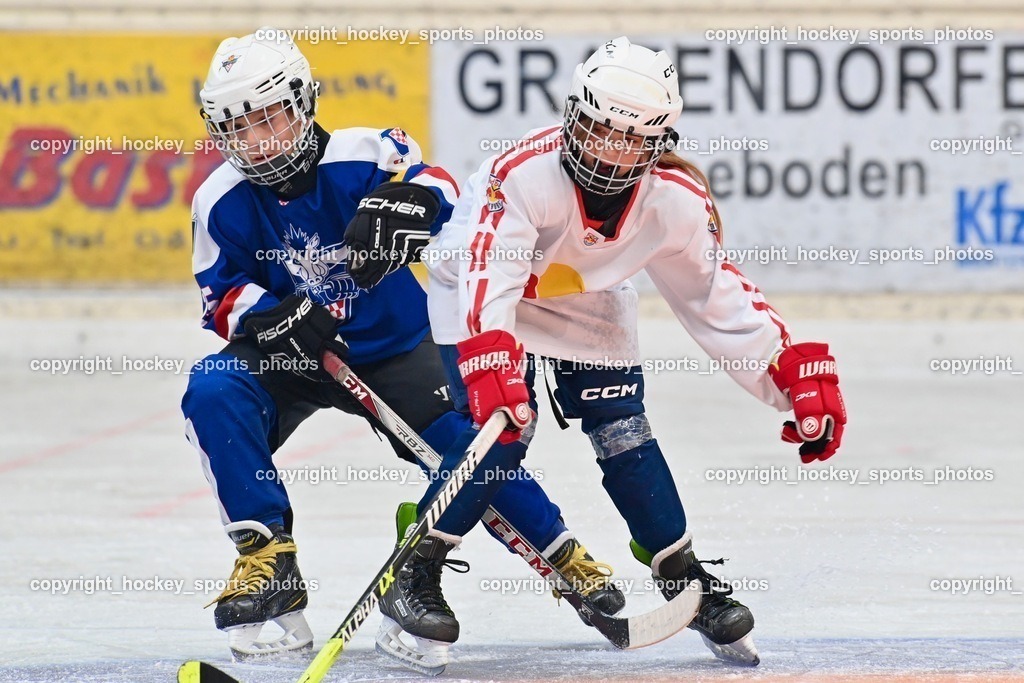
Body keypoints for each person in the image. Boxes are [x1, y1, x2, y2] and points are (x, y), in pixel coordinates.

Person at [181, 28, 623, 665]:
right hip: (292, 355)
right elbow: (218, 295)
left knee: (468, 451)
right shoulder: (218, 200)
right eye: (239, 130)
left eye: (270, 120)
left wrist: (411, 203)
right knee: (214, 390)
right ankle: (267, 559)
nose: (257, 142)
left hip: (394, 346)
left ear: (304, 102)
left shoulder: (366, 153)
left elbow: (445, 191)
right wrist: (270, 316)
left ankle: (563, 557)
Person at [412, 36, 848, 666]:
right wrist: (491, 356)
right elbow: (492, 269)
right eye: (595, 128)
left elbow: (716, 297)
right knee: (502, 428)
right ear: (572, 114)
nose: (607, 150)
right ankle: (418, 569)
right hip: (476, 288)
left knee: (623, 426)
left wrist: (789, 375)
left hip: (583, 296)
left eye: (629, 139)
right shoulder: (524, 173)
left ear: (657, 144)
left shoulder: (674, 203)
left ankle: (680, 571)